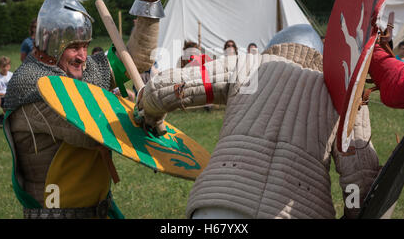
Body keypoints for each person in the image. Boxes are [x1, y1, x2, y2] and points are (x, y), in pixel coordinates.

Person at [137, 24, 380, 219]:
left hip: (217, 204)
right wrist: (352, 212)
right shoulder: (345, 95)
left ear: (274, 46)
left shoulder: (246, 65)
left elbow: (164, 89)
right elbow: (361, 180)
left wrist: (149, 116)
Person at [4, 0, 169, 219]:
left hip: (100, 210)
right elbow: (91, 132)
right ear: (51, 44)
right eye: (73, 47)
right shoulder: (32, 86)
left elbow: (135, 60)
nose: (83, 56)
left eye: (85, 45)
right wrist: (142, 111)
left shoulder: (84, 70)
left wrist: (148, 4)